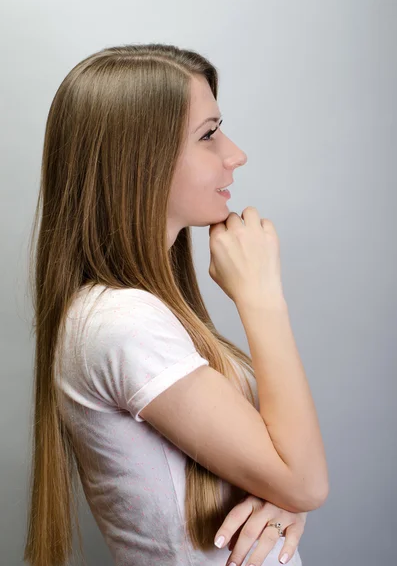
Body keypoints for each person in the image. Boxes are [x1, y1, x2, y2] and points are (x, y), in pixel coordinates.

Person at [24, 43, 328, 566]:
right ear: (139, 158)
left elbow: (291, 474)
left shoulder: (138, 311)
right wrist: (261, 297)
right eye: (208, 135)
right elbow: (305, 480)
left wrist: (279, 494)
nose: (235, 153)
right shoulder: (119, 323)